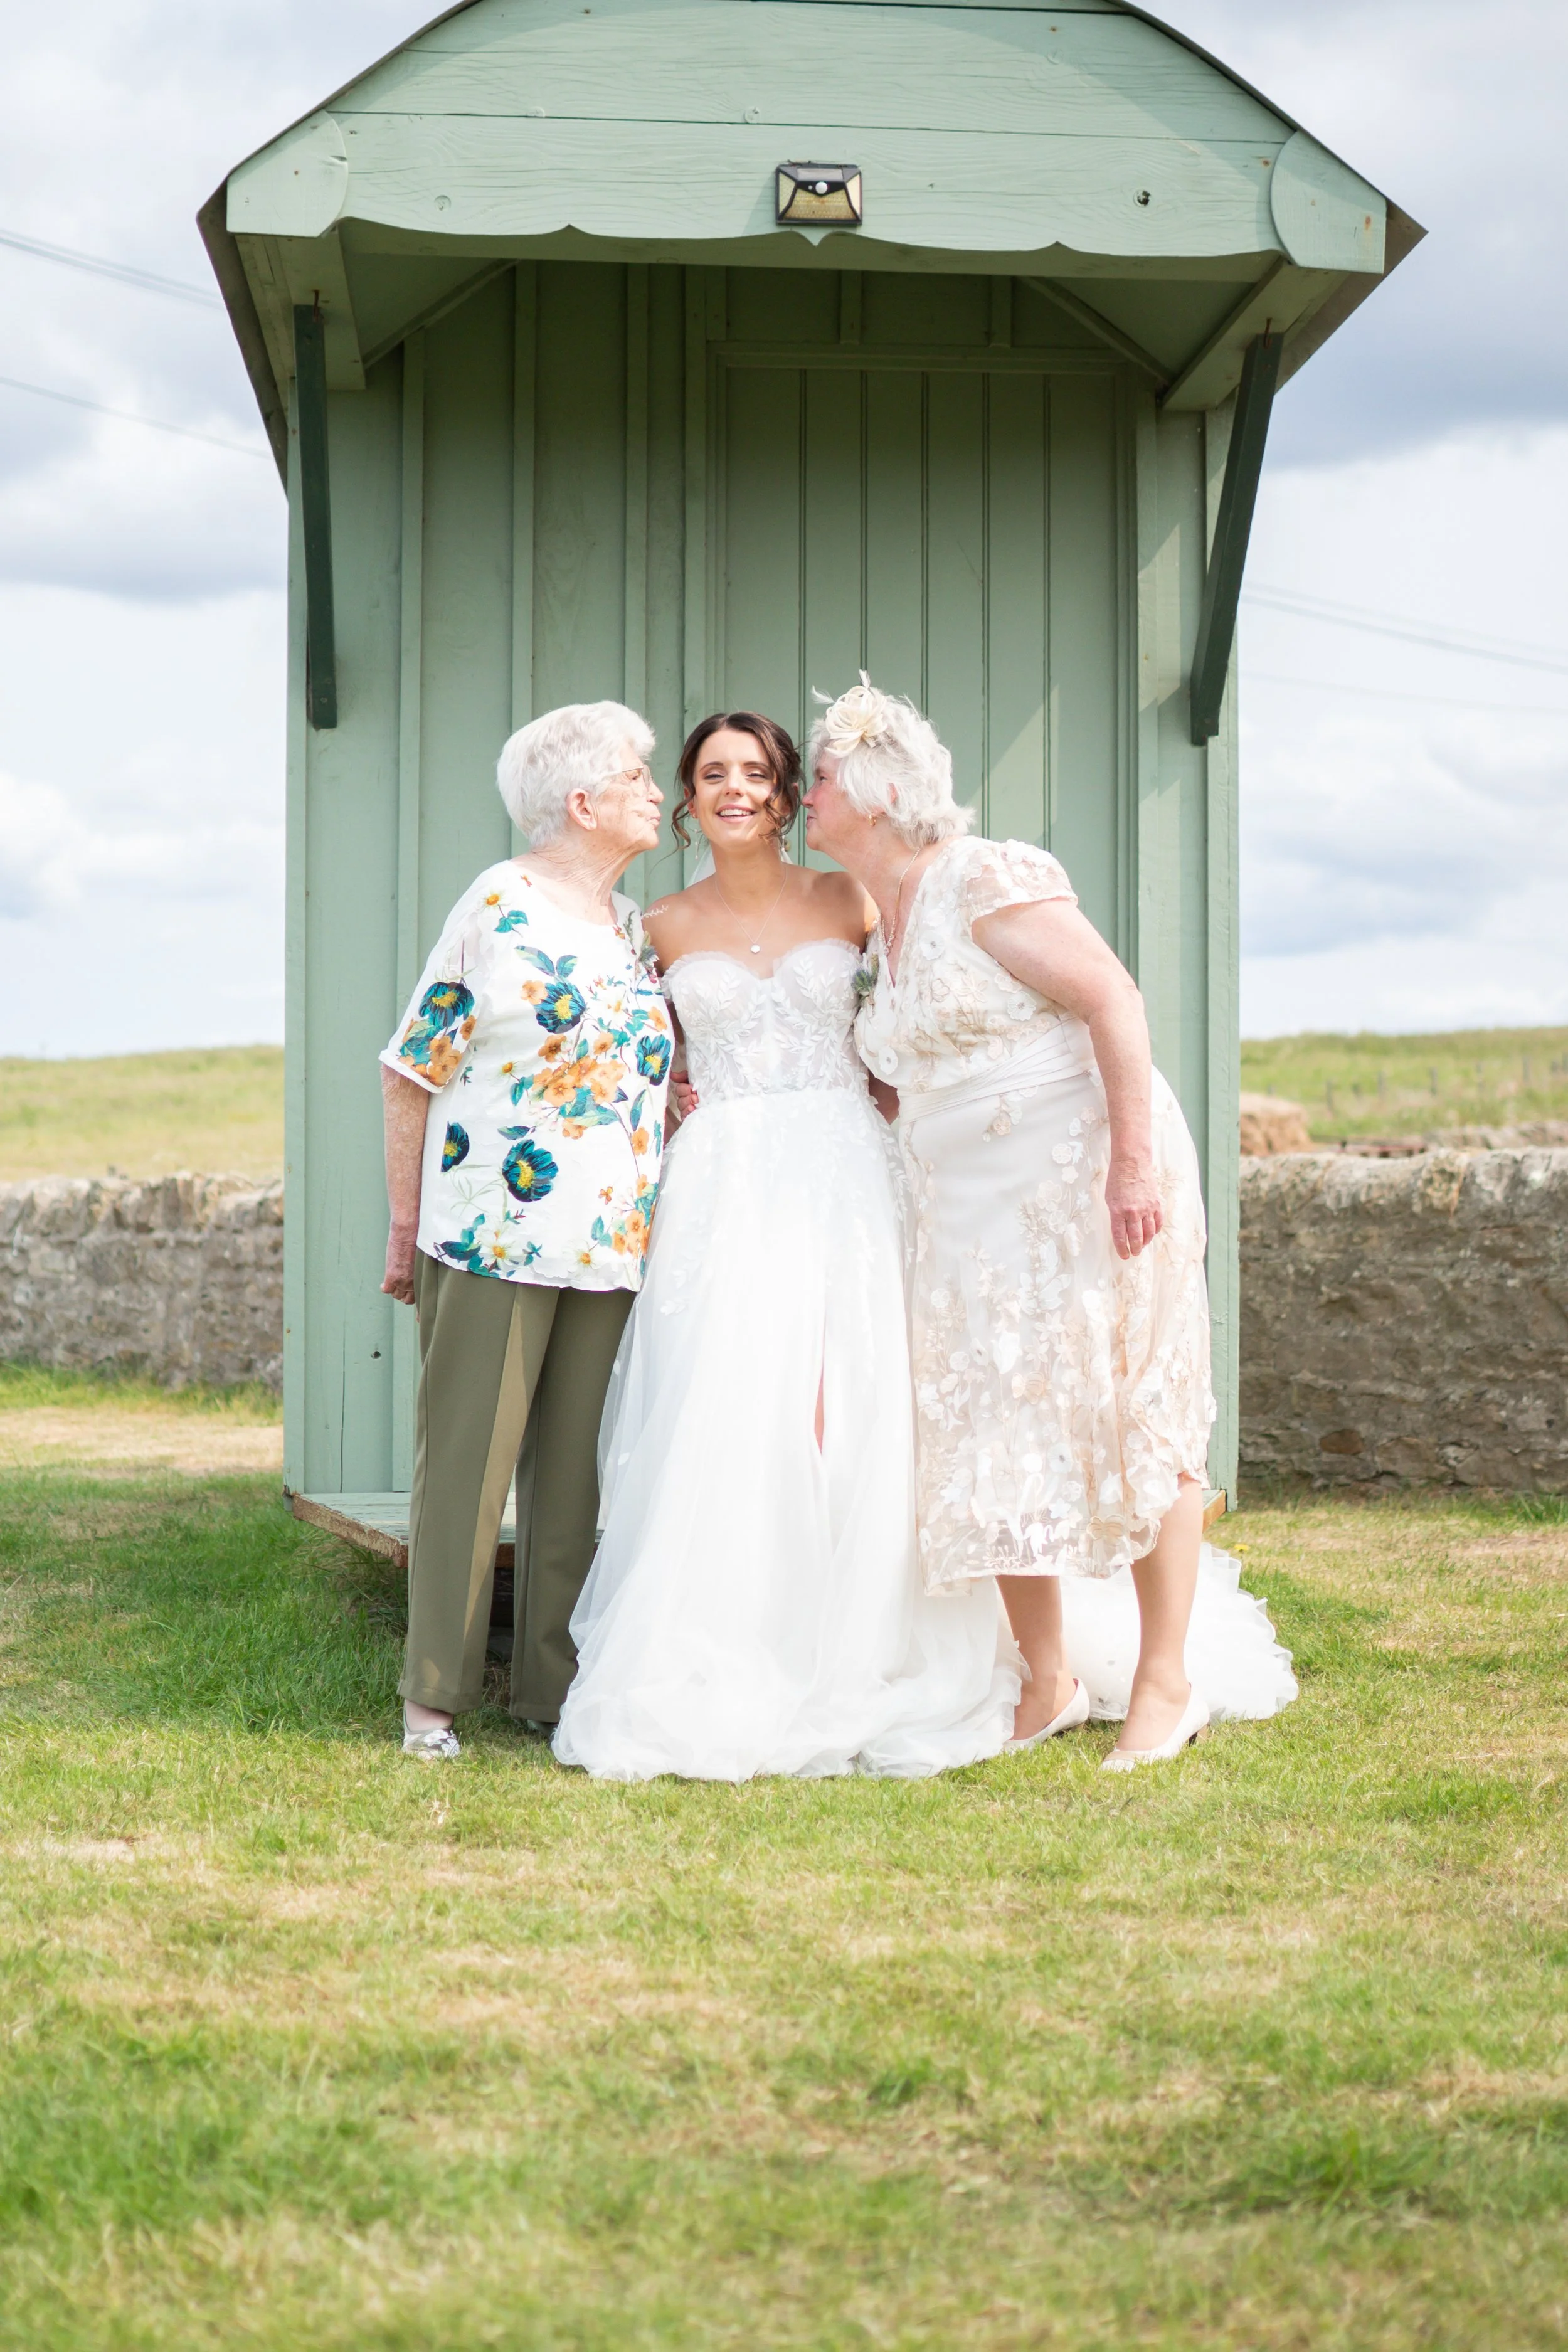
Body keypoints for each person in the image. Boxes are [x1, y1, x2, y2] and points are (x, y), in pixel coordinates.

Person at [806, 678, 1295, 1768]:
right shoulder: (881, 926)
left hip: (1081, 1181)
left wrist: (1131, 1165)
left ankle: (1166, 1682)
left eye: (823, 777)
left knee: (1132, 1404)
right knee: (986, 1424)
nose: (808, 795)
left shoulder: (986, 874)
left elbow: (1112, 999)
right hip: (962, 1213)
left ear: (881, 792)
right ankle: (1049, 1677)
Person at [552, 711, 1019, 1780]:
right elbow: (636, 1060)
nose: (735, 789)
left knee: (856, 1396)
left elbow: (918, 1010)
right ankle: (746, 1638)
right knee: (736, 1398)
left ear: (783, 792)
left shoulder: (847, 900)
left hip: (848, 1161)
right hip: (724, 1179)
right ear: (686, 796)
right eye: (713, 772)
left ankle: (869, 1637)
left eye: (756, 773)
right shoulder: (656, 924)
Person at [379, 701, 672, 1759]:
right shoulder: (500, 901)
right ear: (581, 800)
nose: (657, 789)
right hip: (495, 1234)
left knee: (572, 1470)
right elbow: (411, 1065)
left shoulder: (630, 923)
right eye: (637, 774)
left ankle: (550, 1686)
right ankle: (433, 1697)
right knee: (469, 1463)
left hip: (609, 1242)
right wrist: (404, 1222)